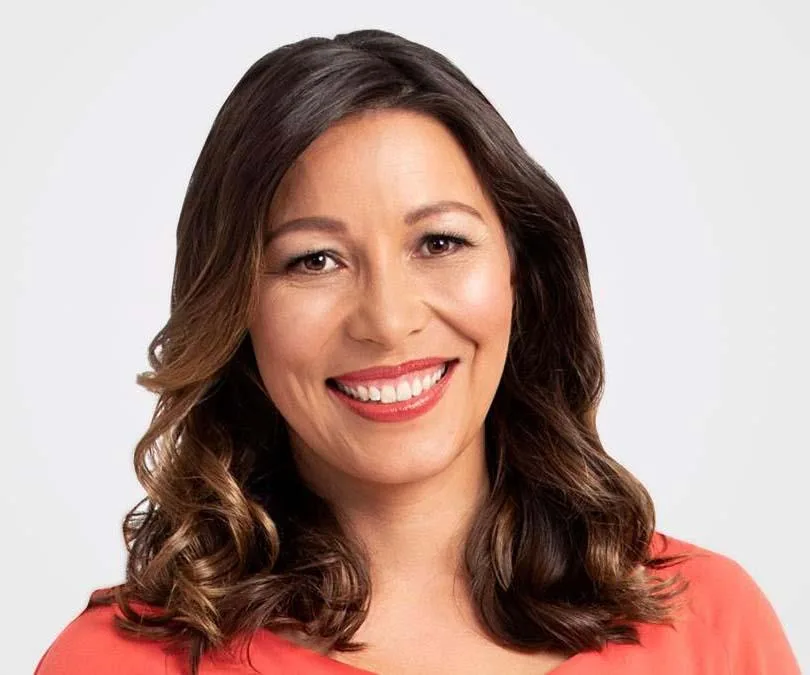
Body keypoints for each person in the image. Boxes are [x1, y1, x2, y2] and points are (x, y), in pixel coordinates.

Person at [35, 29, 799, 675]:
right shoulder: (112, 661)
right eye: (314, 260)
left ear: (521, 274)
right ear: (235, 309)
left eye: (439, 242)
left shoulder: (709, 625)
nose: (389, 320)